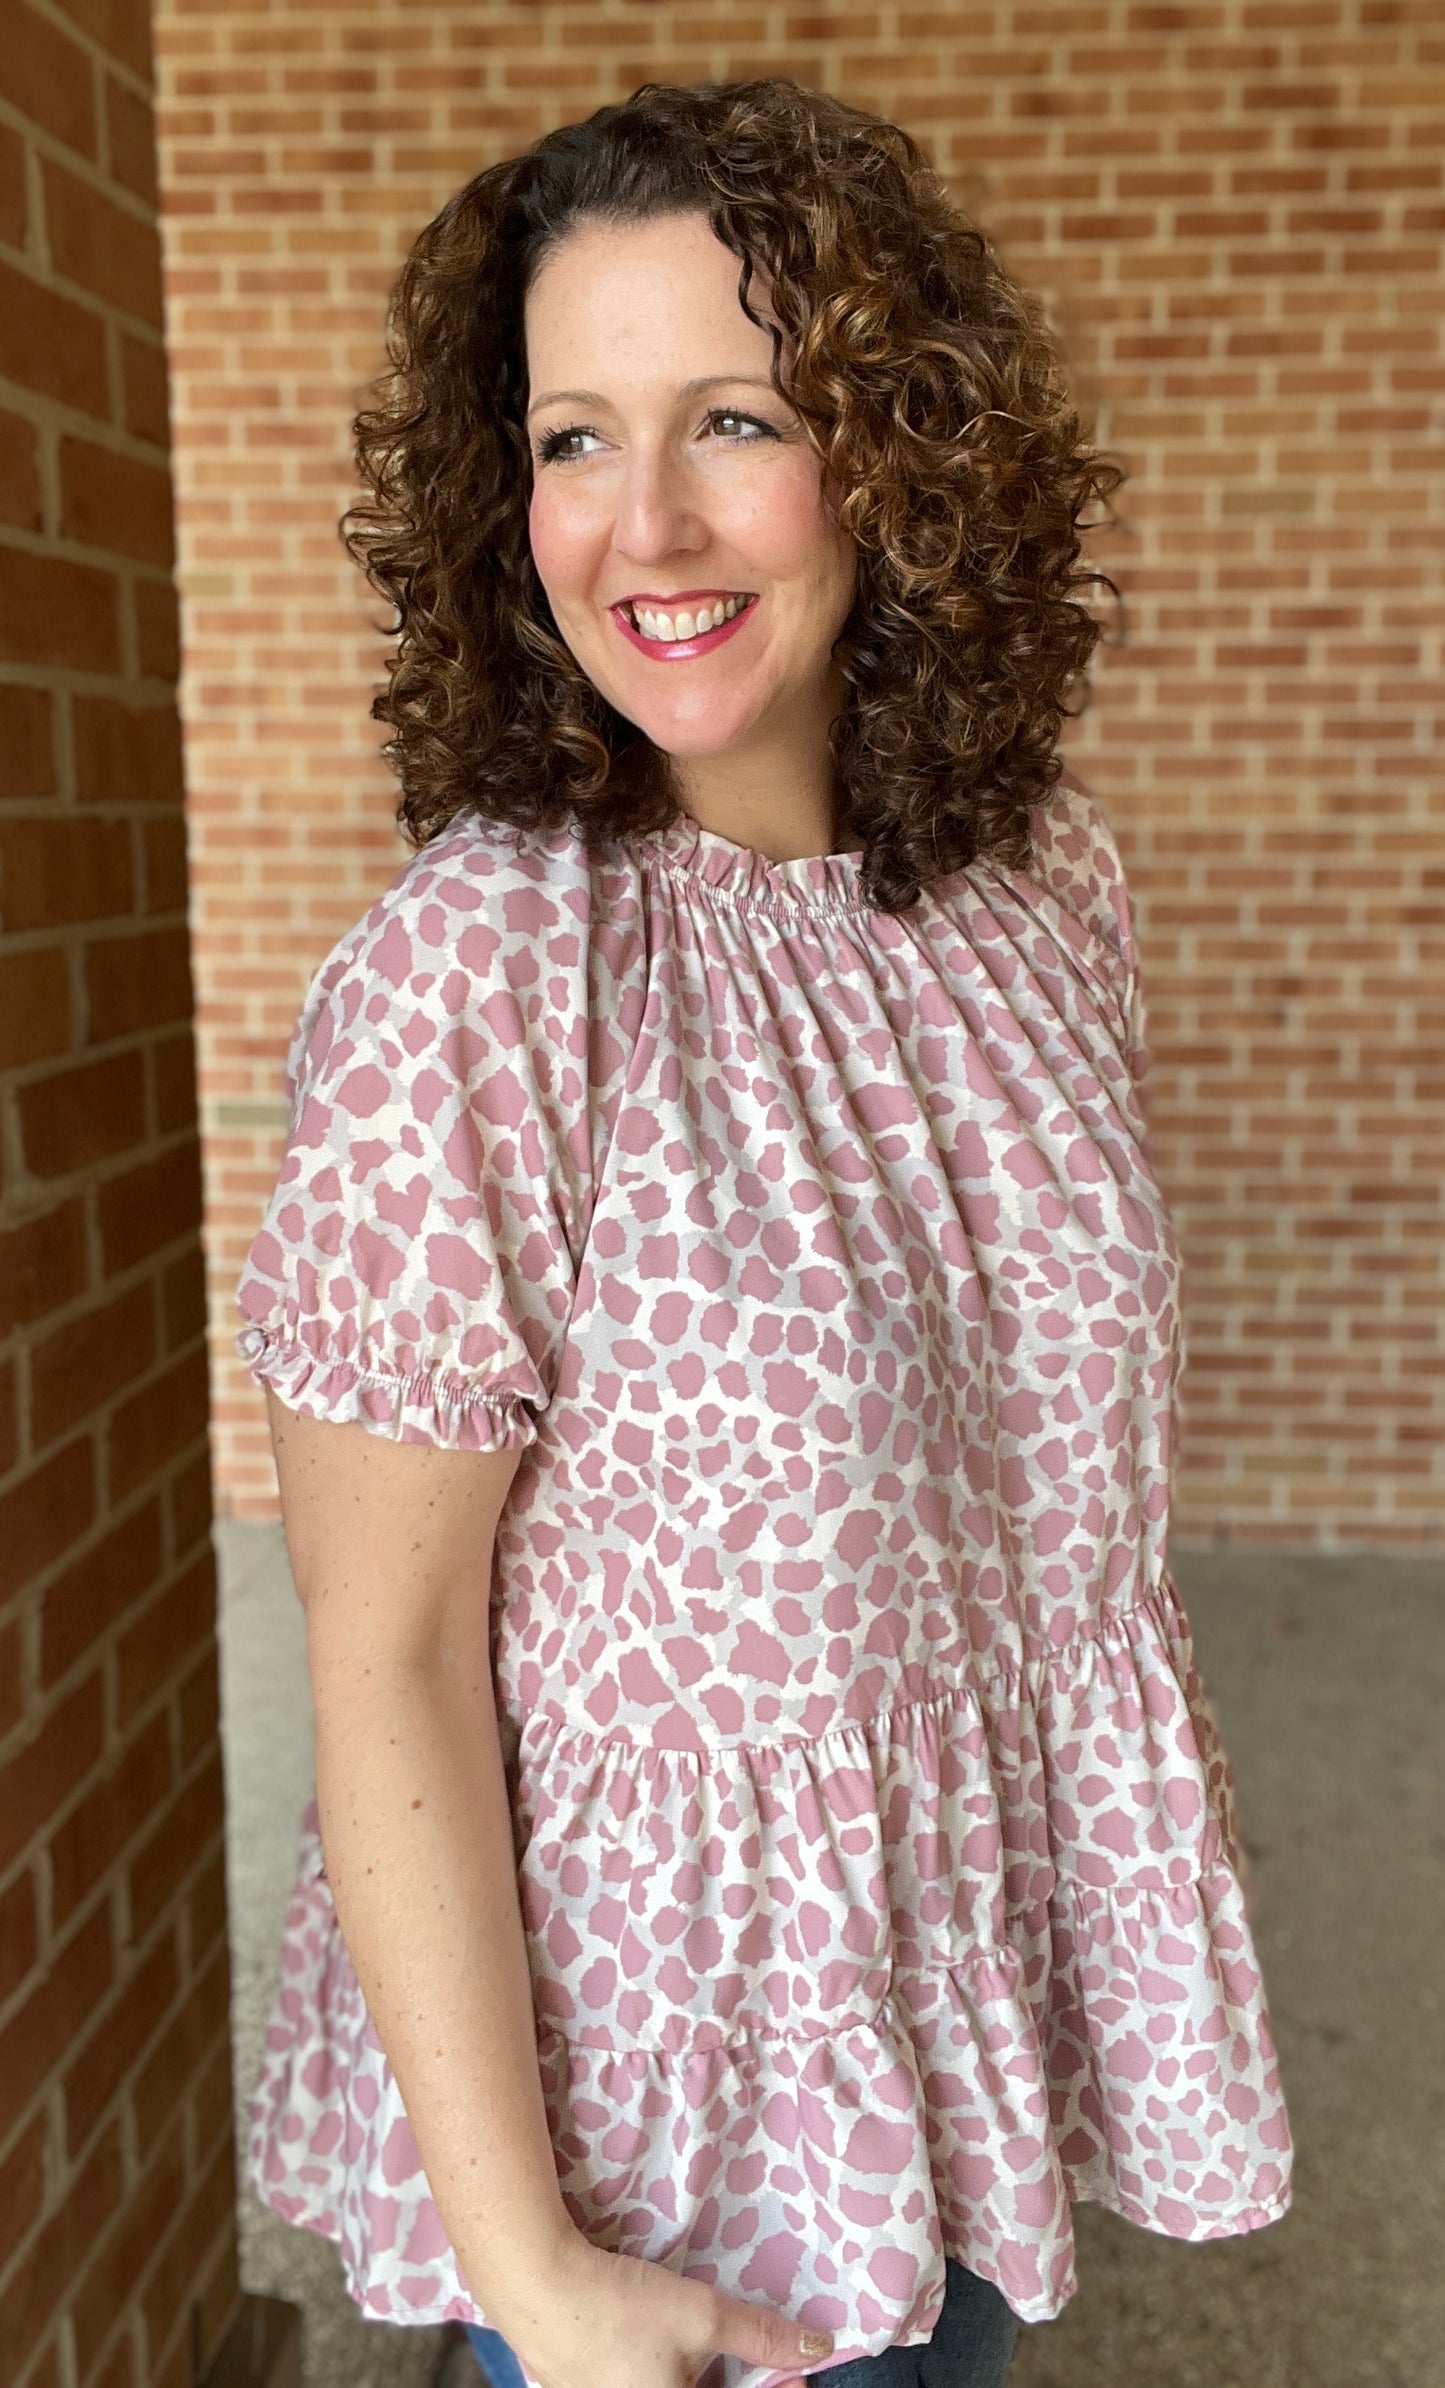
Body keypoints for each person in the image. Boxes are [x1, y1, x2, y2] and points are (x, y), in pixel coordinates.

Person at [234, 76, 1294, 2388]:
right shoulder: (481, 978)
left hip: (967, 2047)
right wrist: (539, 2279)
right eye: (573, 439)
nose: (649, 523)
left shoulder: (1039, 891)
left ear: (898, 453)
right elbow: (382, 1651)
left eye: (733, 415)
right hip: (664, 2152)